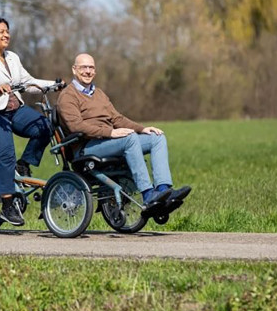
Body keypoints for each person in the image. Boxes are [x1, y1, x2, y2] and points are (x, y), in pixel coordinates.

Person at [57, 53, 191, 214]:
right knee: (129, 139)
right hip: (86, 147)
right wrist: (110, 133)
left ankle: (163, 191)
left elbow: (117, 118)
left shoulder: (99, 94)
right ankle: (148, 194)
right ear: (74, 69)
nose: (88, 71)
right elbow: (76, 126)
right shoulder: (67, 96)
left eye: (91, 67)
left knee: (157, 138)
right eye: (83, 67)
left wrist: (142, 129)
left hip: (107, 141)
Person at [0, 17, 55, 226]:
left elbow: (28, 82)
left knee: (46, 126)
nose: (6, 35)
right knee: (6, 152)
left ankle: (24, 165)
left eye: (7, 31)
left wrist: (55, 85)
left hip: (14, 110)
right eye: (1, 31)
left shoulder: (13, 58)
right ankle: (7, 206)